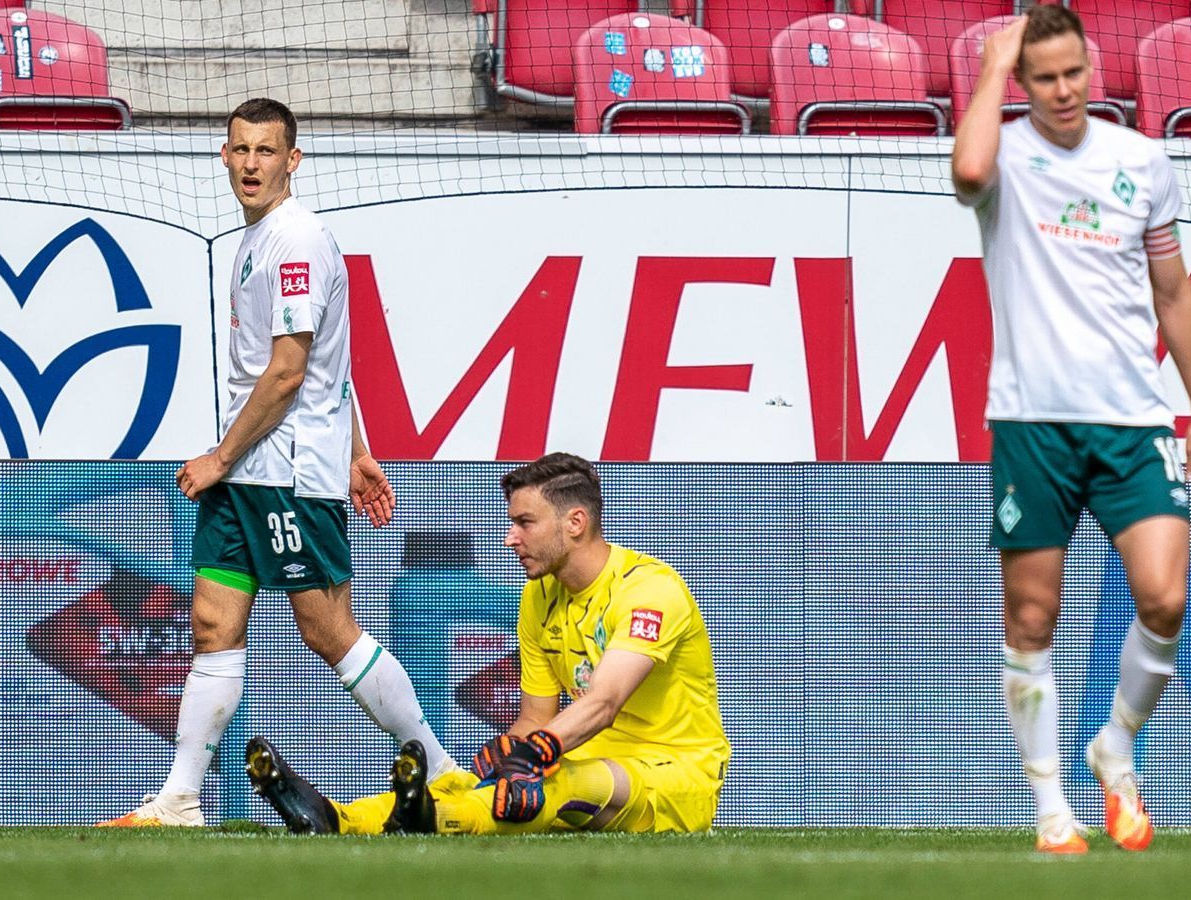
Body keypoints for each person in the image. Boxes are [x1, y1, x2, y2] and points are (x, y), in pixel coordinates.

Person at [100, 98, 457, 827]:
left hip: (283, 470)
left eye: (267, 151)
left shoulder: (295, 242)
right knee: (211, 624)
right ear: (224, 157)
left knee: (329, 632)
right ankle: (179, 799)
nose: (253, 164)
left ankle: (442, 770)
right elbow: (331, 365)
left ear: (293, 161)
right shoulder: (256, 238)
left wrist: (220, 456)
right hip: (249, 475)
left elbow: (292, 372)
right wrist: (358, 450)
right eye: (241, 150)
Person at [950, 5, 1191, 854]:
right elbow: (964, 173)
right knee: (1033, 619)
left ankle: (1115, 745)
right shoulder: (1005, 156)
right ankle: (1050, 809)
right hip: (1032, 422)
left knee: (1166, 598)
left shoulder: (1143, 160)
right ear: (1022, 82)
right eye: (1044, 76)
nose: (1064, 90)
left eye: (1074, 73)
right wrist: (991, 70)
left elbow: (1174, 292)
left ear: (1090, 69)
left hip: (1134, 420)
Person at [244, 452, 731, 837]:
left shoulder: (649, 590)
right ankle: (337, 818)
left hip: (675, 775)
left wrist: (535, 753)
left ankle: (438, 821)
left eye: (524, 523)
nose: (508, 538)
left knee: (549, 785)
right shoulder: (539, 594)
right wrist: (508, 751)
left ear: (575, 523)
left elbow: (602, 704)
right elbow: (537, 718)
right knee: (469, 780)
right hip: (588, 751)